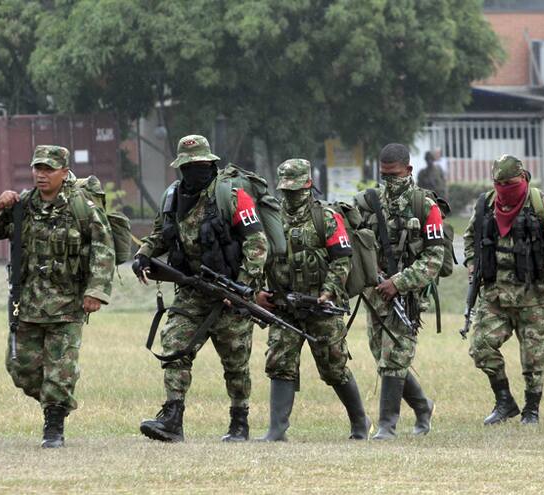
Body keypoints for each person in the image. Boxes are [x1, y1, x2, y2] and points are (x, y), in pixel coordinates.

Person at [133, 135, 267, 442]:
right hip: (192, 293)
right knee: (174, 347)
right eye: (189, 166)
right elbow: (159, 236)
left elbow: (257, 244)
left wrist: (244, 288)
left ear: (211, 164)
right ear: (181, 167)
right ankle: (172, 418)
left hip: (230, 293)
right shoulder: (172, 197)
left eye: (201, 165)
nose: (196, 171)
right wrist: (143, 255)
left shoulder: (231, 195)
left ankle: (239, 421)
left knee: (235, 362)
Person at [0, 145, 115, 448]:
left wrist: (96, 291)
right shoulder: (23, 204)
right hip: (26, 303)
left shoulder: (81, 207)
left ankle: (53, 425)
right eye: (37, 169)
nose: (41, 175)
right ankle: (57, 399)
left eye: (48, 169)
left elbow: (103, 249)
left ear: (64, 172)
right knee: (20, 367)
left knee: (59, 370)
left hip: (68, 304)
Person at [257, 158, 369, 441]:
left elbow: (342, 260)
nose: (292, 196)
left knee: (333, 366)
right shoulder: (270, 218)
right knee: (280, 362)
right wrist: (258, 292)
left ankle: (360, 424)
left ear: (309, 185)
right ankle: (277, 430)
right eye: (287, 190)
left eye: (297, 190)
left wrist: (328, 292)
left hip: (321, 306)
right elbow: (257, 257)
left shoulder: (327, 217)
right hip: (284, 305)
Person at [463, 155, 544, 426]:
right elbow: (470, 238)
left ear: (523, 178)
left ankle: (531, 409)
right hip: (495, 294)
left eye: (510, 182)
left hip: (533, 293)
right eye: (499, 183)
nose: (505, 188)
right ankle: (505, 401)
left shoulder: (542, 205)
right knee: (481, 347)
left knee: (534, 356)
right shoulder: (486, 205)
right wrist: (472, 265)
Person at [353, 143, 442, 440]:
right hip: (375, 294)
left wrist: (400, 282)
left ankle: (387, 426)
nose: (389, 181)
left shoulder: (425, 206)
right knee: (383, 355)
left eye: (395, 175)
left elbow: (434, 259)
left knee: (394, 357)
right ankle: (422, 405)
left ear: (409, 170)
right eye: (384, 175)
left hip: (408, 296)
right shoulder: (369, 203)